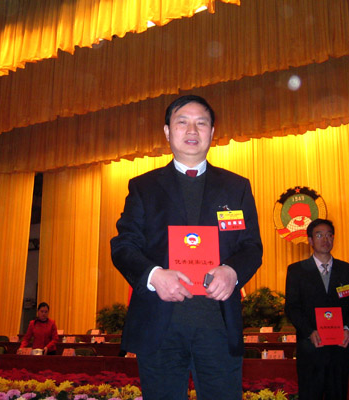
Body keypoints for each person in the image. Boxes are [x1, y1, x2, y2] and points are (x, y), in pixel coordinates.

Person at [110, 95, 263, 400]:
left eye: (201, 123)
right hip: (160, 327)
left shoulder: (236, 187)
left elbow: (251, 247)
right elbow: (124, 245)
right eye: (182, 122)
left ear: (212, 132)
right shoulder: (143, 187)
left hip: (218, 327)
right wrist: (154, 276)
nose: (192, 130)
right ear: (167, 131)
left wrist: (232, 272)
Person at [285, 219, 349, 400]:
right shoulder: (297, 271)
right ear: (310, 240)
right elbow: (292, 308)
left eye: (329, 235)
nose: (325, 240)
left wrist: (348, 329)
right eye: (319, 235)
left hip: (339, 350)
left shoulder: (347, 270)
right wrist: (309, 331)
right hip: (310, 349)